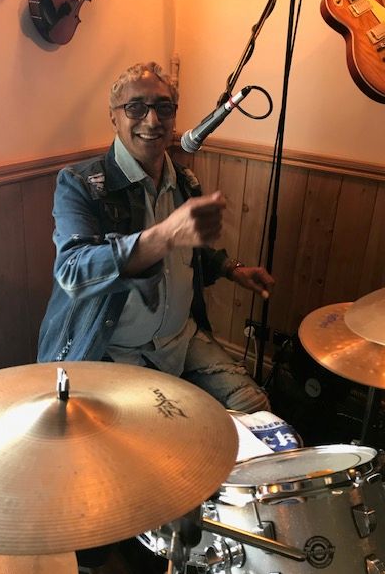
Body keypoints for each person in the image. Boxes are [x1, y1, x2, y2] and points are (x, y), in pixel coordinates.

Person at [37, 60, 274, 413]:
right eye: (135, 107)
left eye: (164, 108)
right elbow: (73, 271)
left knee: (254, 408)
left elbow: (188, 255)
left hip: (179, 340)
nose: (152, 120)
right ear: (113, 117)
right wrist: (163, 234)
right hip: (110, 350)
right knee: (157, 435)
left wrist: (231, 268)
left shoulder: (185, 181)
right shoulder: (81, 183)